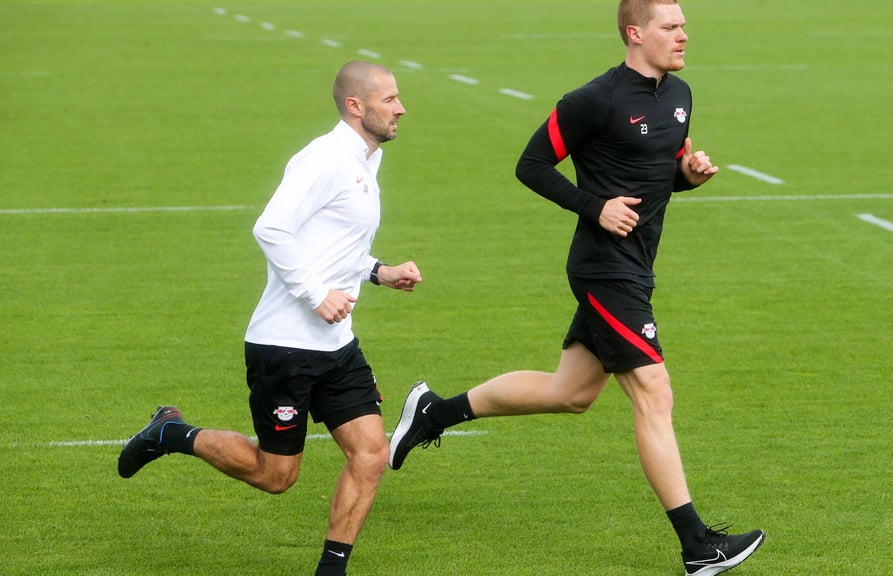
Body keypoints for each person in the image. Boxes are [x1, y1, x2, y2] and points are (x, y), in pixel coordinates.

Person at [388, 2, 763, 575]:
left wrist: (686, 177)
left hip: (637, 265)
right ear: (635, 34)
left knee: (571, 392)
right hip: (604, 268)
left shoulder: (680, 96)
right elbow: (532, 164)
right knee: (654, 393)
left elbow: (652, 175)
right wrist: (595, 206)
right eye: (671, 27)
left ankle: (433, 413)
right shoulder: (594, 100)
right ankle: (697, 546)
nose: (684, 35)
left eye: (683, 25)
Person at [118, 61, 421, 576]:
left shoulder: (367, 160)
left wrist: (378, 271)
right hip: (285, 345)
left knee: (370, 453)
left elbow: (332, 242)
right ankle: (169, 432)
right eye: (390, 99)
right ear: (355, 106)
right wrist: (315, 295)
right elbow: (272, 228)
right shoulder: (324, 158)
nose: (401, 108)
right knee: (276, 475)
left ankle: (331, 570)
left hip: (337, 344)